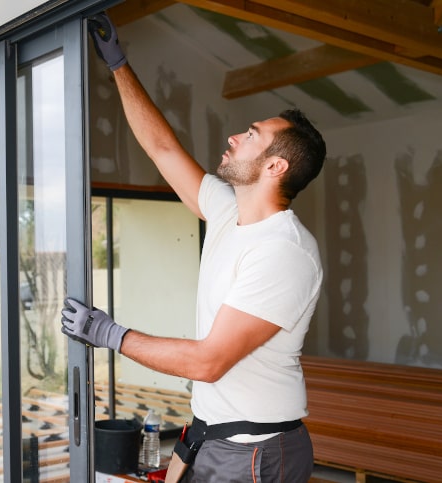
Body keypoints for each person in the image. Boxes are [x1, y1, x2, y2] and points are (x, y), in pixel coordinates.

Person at [60, 13, 327, 483]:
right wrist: (118, 63)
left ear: (275, 166)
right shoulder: (228, 213)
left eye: (251, 136)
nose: (234, 137)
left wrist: (109, 334)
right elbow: (163, 149)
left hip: (255, 454)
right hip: (210, 438)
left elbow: (208, 361)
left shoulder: (284, 251)